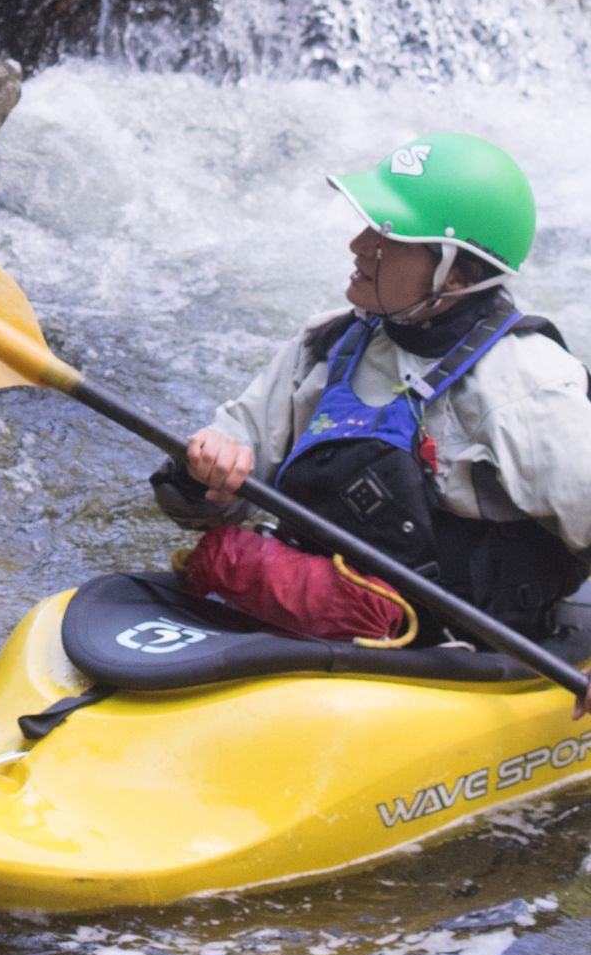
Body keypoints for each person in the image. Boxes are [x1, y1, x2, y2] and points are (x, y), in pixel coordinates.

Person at [161, 132, 591, 647]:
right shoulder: (328, 343)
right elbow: (206, 507)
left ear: (458, 274)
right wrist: (205, 473)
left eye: (388, 234)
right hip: (323, 612)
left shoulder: (525, 383)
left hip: (452, 647)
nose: (359, 245)